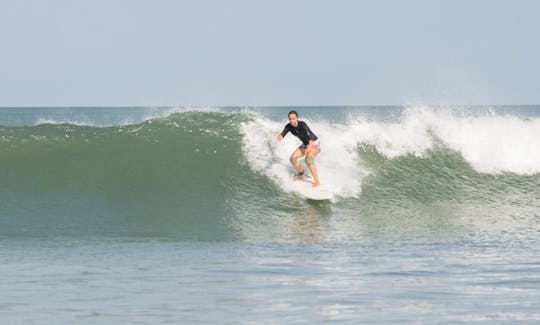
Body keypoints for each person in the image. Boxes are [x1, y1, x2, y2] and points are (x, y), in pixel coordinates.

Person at [277, 110, 321, 187]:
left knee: (308, 160)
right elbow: (283, 133)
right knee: (293, 159)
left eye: (293, 118)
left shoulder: (302, 125)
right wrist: (280, 136)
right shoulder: (289, 126)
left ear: (297, 118)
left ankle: (317, 182)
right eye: (290, 119)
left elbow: (310, 138)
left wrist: (309, 147)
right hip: (305, 144)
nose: (292, 120)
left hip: (314, 143)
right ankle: (302, 174)